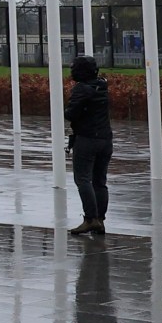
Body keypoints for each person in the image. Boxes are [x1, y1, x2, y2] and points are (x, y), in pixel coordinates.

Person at [66, 54, 112, 236]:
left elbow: (71, 113)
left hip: (86, 139)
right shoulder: (102, 85)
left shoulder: (81, 89)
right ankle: (100, 219)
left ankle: (90, 219)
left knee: (83, 179)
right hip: (105, 138)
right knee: (100, 181)